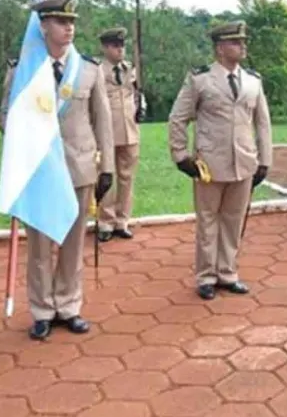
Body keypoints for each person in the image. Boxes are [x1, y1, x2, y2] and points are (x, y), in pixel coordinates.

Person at [0, 0, 114, 339]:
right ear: (43, 26)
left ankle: (69, 305)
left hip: (78, 168)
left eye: (72, 22)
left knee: (73, 242)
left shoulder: (90, 69)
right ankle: (42, 310)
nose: (69, 28)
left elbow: (103, 121)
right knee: (39, 246)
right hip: (40, 170)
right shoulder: (23, 70)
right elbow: (5, 116)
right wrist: (24, 136)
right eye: (61, 22)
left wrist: (106, 167)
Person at [168, 21, 272, 299]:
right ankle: (206, 275)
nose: (243, 46)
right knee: (208, 220)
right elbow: (178, 118)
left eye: (243, 41)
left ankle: (228, 272)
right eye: (236, 42)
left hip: (244, 161)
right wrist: (181, 156)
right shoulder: (200, 79)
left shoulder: (253, 80)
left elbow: (262, 122)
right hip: (210, 164)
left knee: (234, 220)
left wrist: (265, 160)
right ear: (220, 48)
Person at [97, 27, 145, 242]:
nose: (120, 50)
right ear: (105, 47)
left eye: (122, 46)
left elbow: (134, 94)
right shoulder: (97, 70)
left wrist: (141, 105)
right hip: (106, 130)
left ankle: (122, 220)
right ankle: (105, 222)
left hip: (129, 129)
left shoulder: (128, 69)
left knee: (127, 177)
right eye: (115, 46)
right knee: (105, 176)